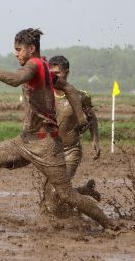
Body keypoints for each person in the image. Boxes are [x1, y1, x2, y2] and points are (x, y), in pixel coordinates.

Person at [0, 28, 118, 234]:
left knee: (66, 195)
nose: (16, 54)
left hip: (46, 144)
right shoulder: (44, 68)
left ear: (31, 49)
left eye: (18, 49)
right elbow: (68, 88)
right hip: (24, 141)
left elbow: (15, 80)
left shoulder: (34, 65)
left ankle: (112, 225)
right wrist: (82, 115)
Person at [41, 55, 101, 218]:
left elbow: (92, 117)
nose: (53, 77)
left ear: (67, 73)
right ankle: (83, 191)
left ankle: (83, 214)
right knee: (48, 195)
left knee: (58, 189)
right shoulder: (45, 95)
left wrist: (94, 139)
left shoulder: (80, 97)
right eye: (50, 73)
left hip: (70, 150)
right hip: (50, 152)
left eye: (57, 73)